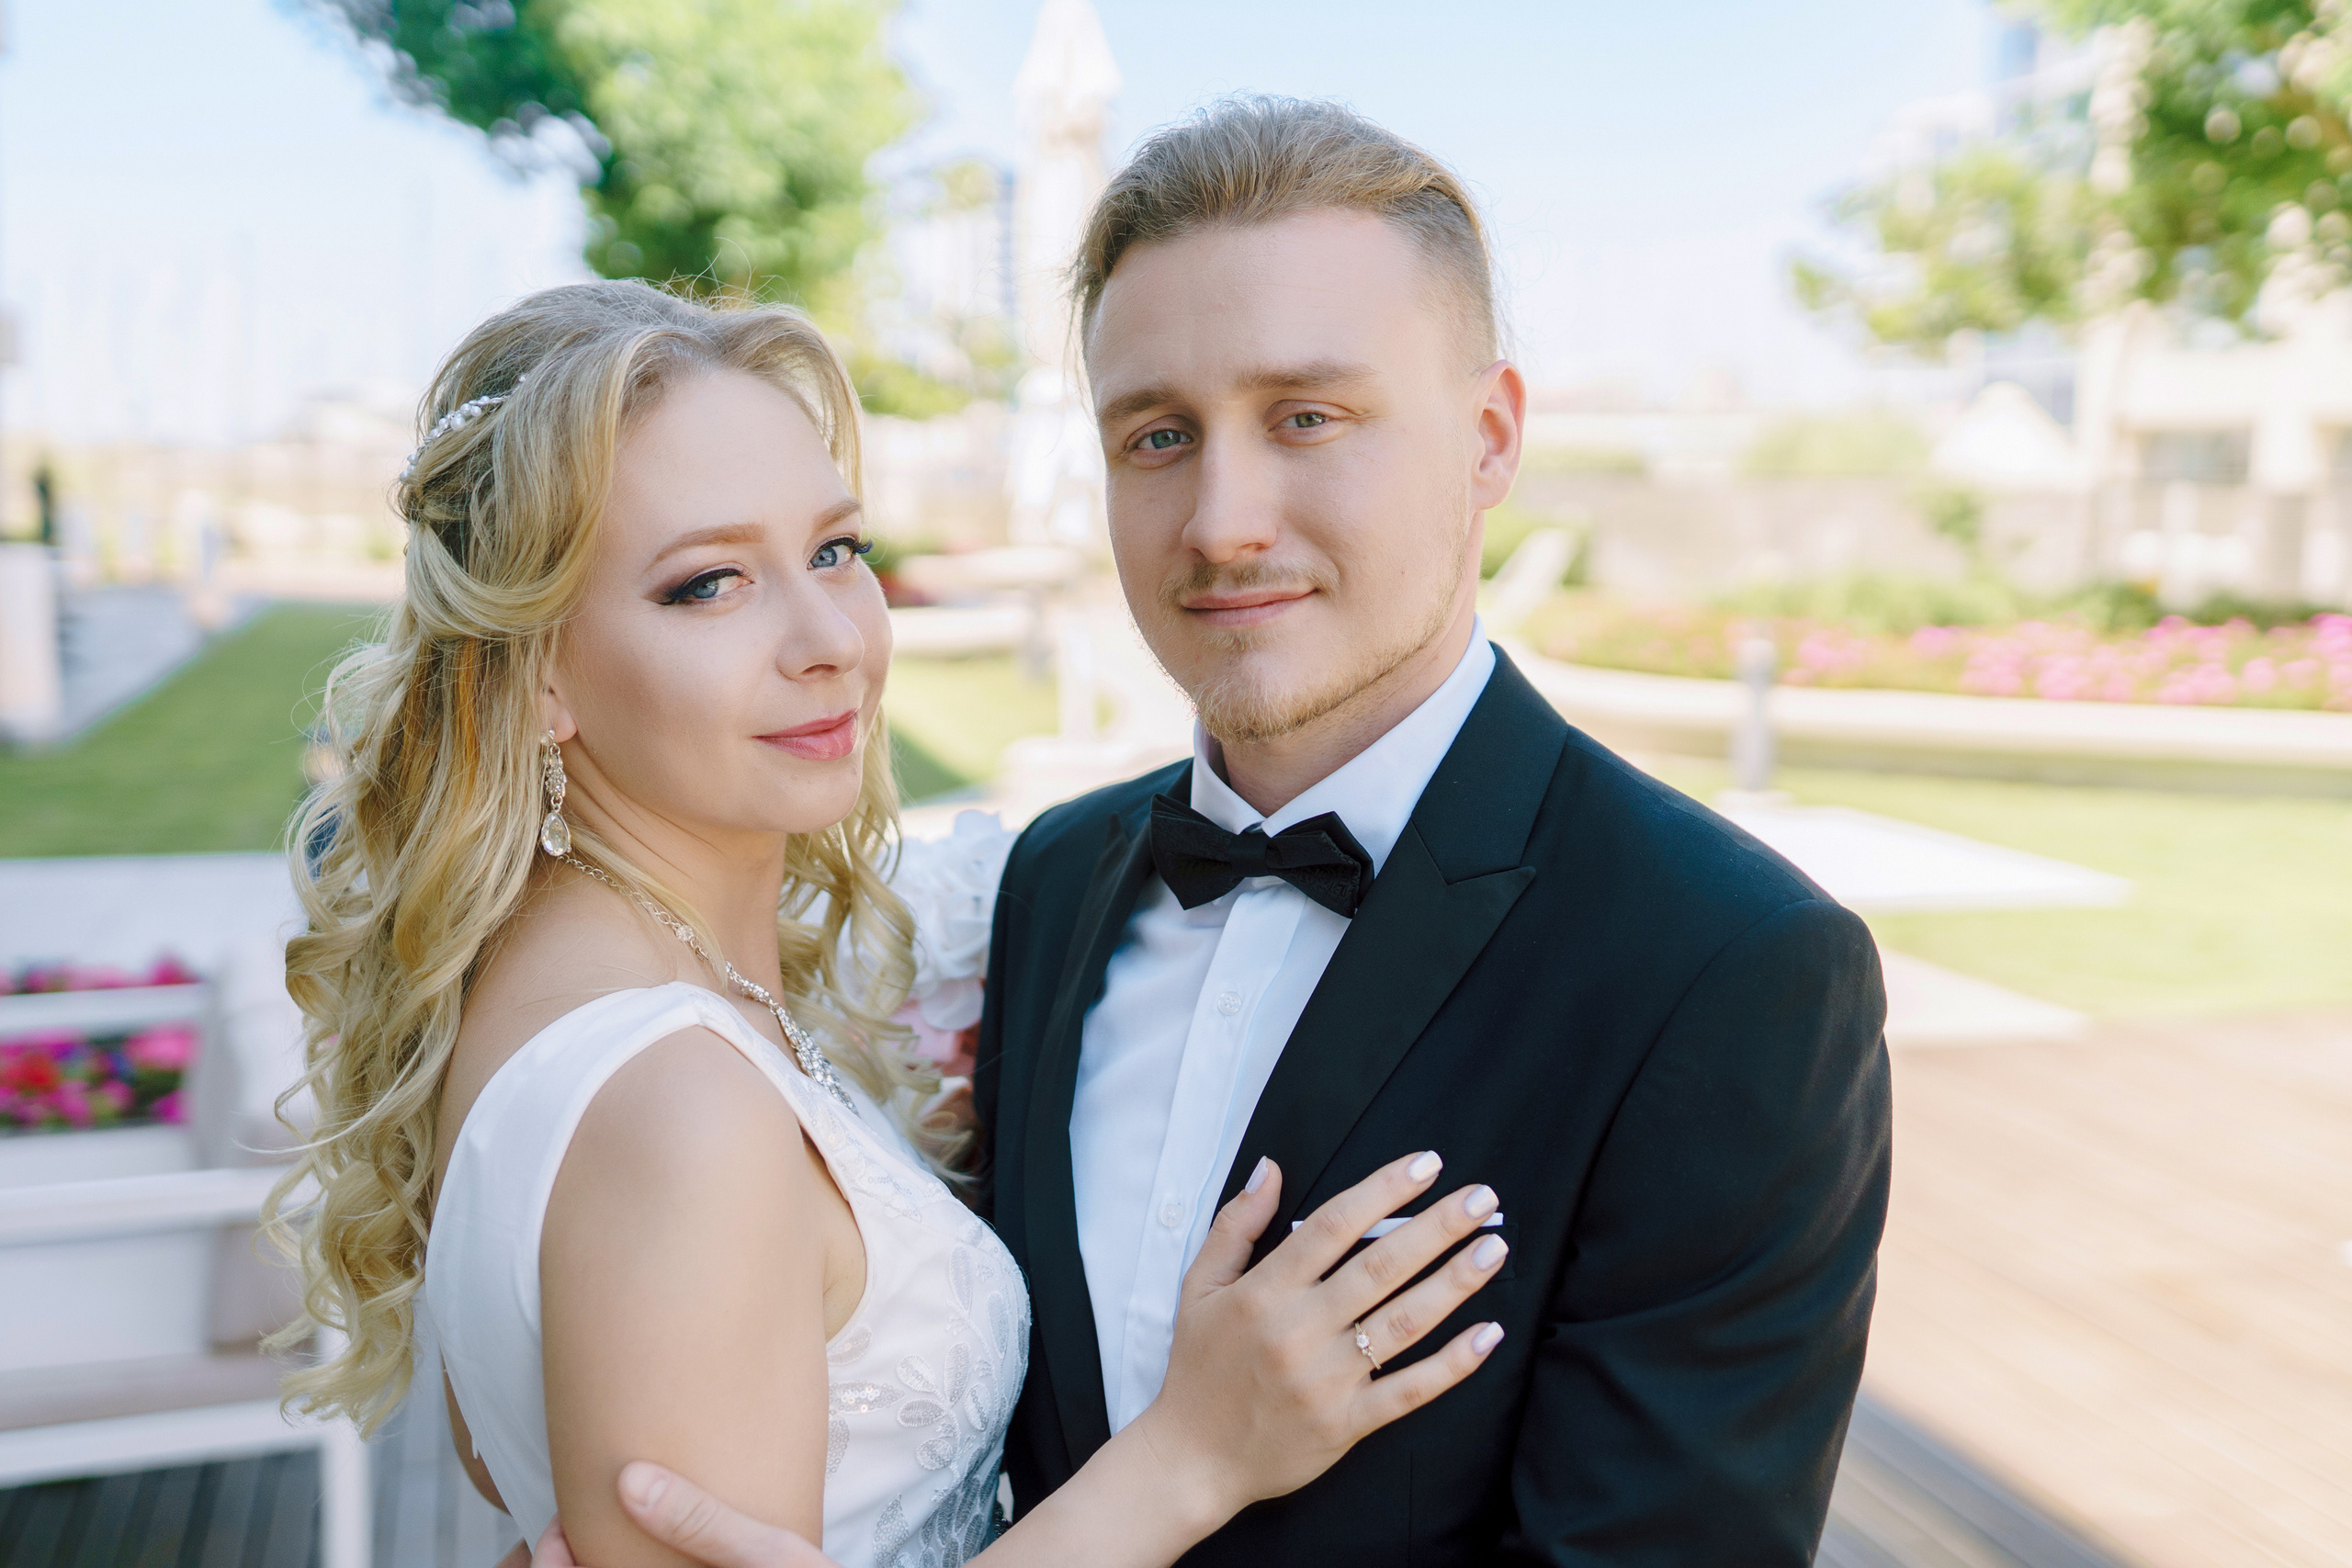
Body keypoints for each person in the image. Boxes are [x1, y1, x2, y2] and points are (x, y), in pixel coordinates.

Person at [594, 96, 1894, 1566]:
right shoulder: (1051, 886)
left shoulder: (1727, 970)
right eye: (1157, 435)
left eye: (1307, 418)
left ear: (1488, 437)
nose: (1221, 521)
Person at [263, 279, 1511, 1568]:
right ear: (535, 680)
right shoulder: (680, 1109)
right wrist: (1196, 1456)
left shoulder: (554, 981)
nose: (829, 642)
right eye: (707, 585)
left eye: (836, 552)